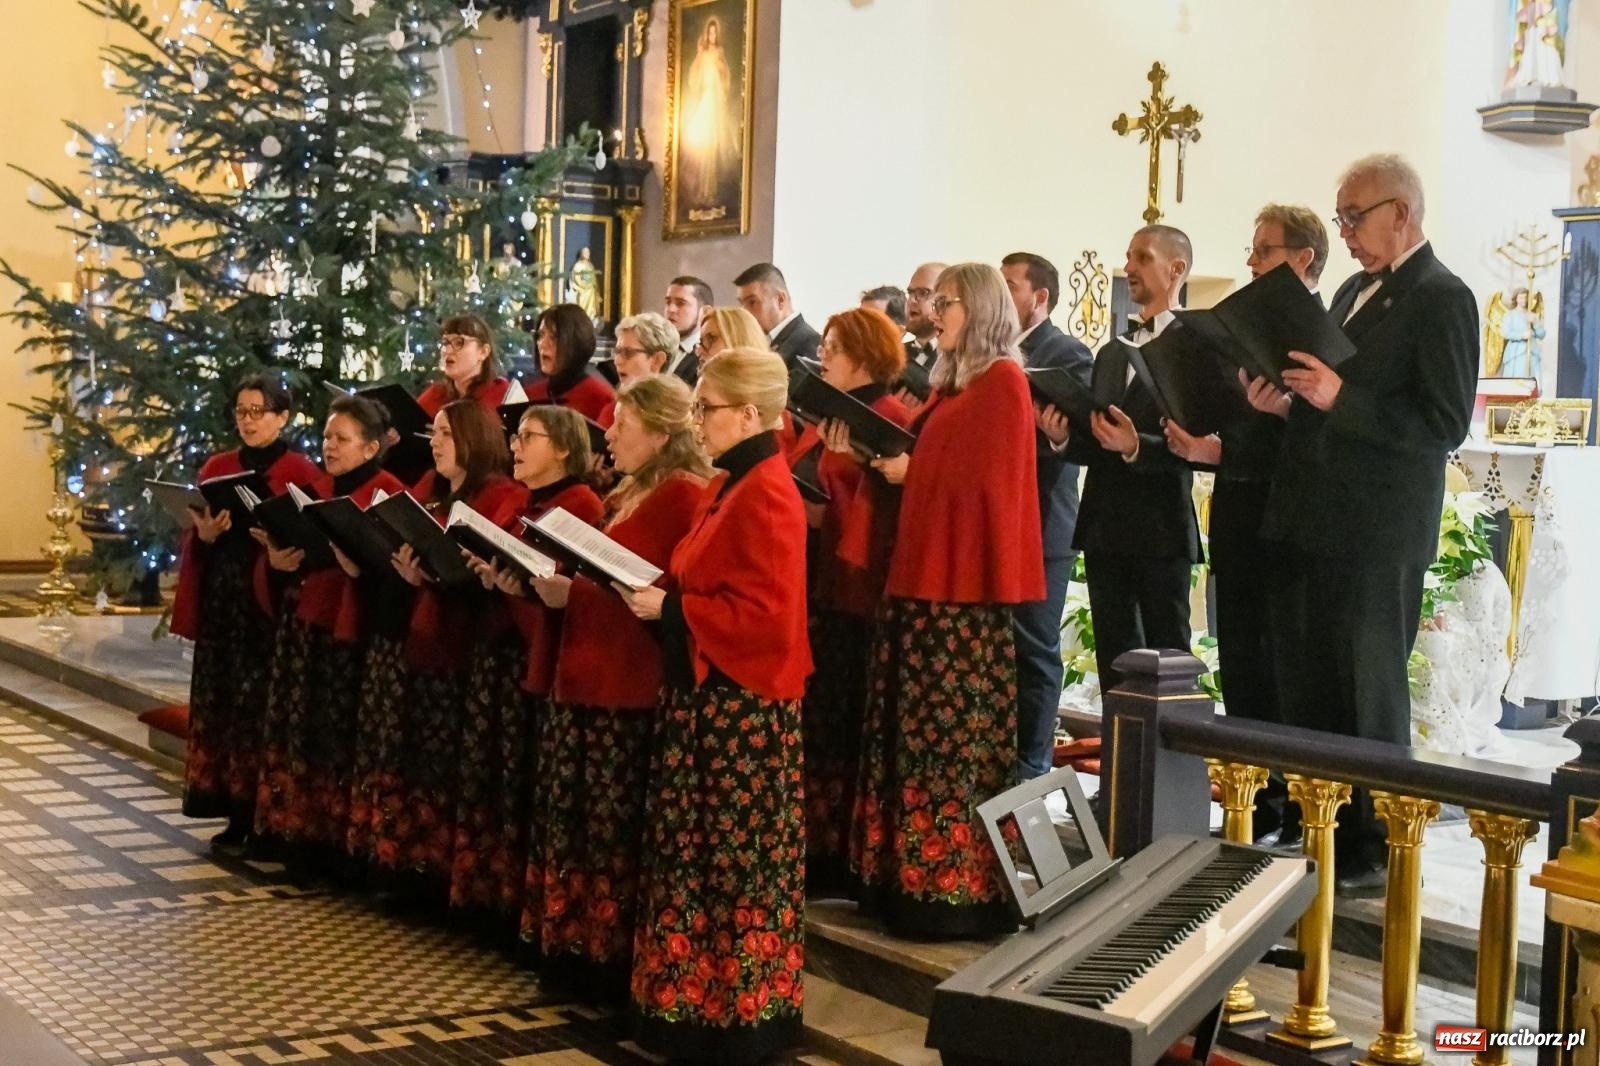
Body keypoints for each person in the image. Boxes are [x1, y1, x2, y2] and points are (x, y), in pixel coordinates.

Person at [1253, 154, 1478, 897]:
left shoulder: (1444, 297)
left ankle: (1373, 844)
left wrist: (1338, 395)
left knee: (1366, 688)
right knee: (1314, 688)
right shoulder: (1350, 289)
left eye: (1354, 216)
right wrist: (1288, 403)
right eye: (1341, 216)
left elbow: (1442, 424)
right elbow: (1327, 404)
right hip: (1317, 517)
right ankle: (1325, 828)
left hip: (1378, 529)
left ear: (1401, 214)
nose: (1344, 231)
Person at [617, 348, 811, 1063]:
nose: (696, 422)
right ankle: (688, 1007)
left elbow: (765, 615)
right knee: (695, 862)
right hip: (706, 703)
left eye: (706, 409)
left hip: (742, 711)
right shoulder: (731, 483)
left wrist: (672, 608)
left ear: (751, 415)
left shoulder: (768, 491)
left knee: (734, 867)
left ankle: (740, 1017)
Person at [850, 263, 1044, 940]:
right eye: (933, 302)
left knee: (949, 748)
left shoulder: (1005, 382)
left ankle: (950, 888)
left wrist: (915, 467)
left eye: (947, 303)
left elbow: (989, 484)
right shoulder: (956, 383)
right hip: (922, 584)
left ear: (981, 308)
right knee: (913, 740)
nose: (934, 313)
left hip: (960, 595)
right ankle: (899, 878)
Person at [516, 376, 711, 1001]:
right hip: (589, 669)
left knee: (609, 829)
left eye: (622, 425)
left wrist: (573, 591)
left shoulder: (682, 495)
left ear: (660, 432)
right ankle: (571, 948)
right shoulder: (633, 489)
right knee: (581, 823)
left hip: (625, 680)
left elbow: (653, 589)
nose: (610, 436)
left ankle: (602, 958)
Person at [1164, 205, 1327, 849]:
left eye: (1263, 251)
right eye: (1253, 249)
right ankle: (1250, 805)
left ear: (1302, 259)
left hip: (1286, 520)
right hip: (1236, 510)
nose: (1252, 262)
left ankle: (1292, 809)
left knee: (1281, 669)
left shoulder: (1321, 327)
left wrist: (1256, 431)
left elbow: (1313, 444)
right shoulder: (1247, 325)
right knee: (1241, 665)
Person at [351, 400, 524, 903]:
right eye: (436, 433)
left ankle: (439, 881)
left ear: (474, 436)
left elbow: (487, 562)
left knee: (448, 767)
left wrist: (445, 571)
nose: (437, 442)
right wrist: (410, 569)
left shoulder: (500, 493)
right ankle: (405, 868)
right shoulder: (428, 489)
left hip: (468, 645)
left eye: (447, 433)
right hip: (421, 636)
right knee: (416, 762)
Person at [451, 405, 605, 938]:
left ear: (564, 447)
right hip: (501, 650)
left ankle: (513, 909)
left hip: (536, 656)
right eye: (515, 437)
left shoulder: (581, 503)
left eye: (529, 437)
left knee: (522, 779)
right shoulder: (523, 501)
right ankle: (487, 899)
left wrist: (516, 588)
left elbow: (564, 588)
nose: (515, 446)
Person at [1037, 226, 1200, 698]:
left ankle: (1167, 769)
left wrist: (1138, 445)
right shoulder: (1112, 351)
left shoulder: (1196, 348)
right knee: (1114, 660)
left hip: (1160, 526)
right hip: (1105, 525)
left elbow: (1197, 442)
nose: (1128, 267)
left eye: (1142, 258)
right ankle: (1119, 763)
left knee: (1167, 659)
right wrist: (1064, 438)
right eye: (1128, 257)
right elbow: (1098, 437)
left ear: (1176, 269)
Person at [252, 394, 406, 875]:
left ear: (370, 448)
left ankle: (329, 844)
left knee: (334, 737)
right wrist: (275, 561)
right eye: (325, 437)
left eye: (341, 439)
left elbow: (385, 568)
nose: (329, 447)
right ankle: (288, 830)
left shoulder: (386, 493)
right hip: (303, 625)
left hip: (349, 633)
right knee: (298, 732)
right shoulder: (318, 489)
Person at [173, 375, 320, 851]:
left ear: (283, 417)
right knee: (225, 704)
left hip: (270, 605)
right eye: (241, 411)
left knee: (263, 709)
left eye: (259, 411)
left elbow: (311, 539)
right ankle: (233, 809)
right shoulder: (218, 465)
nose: (248, 420)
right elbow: (196, 530)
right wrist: (205, 535)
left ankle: (267, 815)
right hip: (224, 599)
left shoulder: (300, 471)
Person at [793, 308, 911, 898]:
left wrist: (821, 509)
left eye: (834, 349)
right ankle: (817, 847)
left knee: (844, 725)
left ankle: (839, 853)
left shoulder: (883, 418)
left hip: (855, 597)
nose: (825, 358)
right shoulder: (830, 418)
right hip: (820, 587)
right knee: (823, 724)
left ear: (864, 358)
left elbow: (877, 517)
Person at [1001, 251, 1094, 782]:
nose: (1003, 295)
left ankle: (1032, 763)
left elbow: (1072, 433)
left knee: (1035, 650)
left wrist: (1056, 432)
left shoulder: (1066, 352)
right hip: (1002, 522)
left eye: (1011, 286)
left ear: (1040, 298)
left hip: (1043, 523)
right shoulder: (994, 353)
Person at [417, 313, 523, 416]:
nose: (447, 351)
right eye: (445, 343)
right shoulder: (434, 395)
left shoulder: (506, 397)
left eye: (459, 342)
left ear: (483, 352)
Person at [527, 303, 616, 423]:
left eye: (554, 337)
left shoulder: (602, 400)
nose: (542, 344)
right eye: (540, 335)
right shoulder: (530, 394)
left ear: (576, 342)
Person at [682, 15, 737, 207]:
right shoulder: (702, 54)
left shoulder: (720, 52)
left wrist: (722, 70)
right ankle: (701, 189)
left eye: (715, 32)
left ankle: (711, 189)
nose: (712, 35)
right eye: (709, 32)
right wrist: (698, 55)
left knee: (713, 146)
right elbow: (694, 81)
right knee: (702, 147)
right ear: (706, 33)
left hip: (716, 100)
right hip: (707, 98)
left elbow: (726, 76)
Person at [599, 312, 677, 427]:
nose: (617, 361)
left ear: (657, 360)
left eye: (628, 353)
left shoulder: (675, 416)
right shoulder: (611, 411)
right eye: (617, 352)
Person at [733, 262, 820, 366]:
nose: (744, 312)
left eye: (752, 302)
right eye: (741, 304)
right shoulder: (758, 343)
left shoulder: (808, 343)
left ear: (780, 300)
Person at [663, 275, 713, 383]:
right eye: (668, 302)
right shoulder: (655, 347)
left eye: (681, 303)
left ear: (705, 312)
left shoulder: (710, 356)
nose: (671, 309)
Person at [569, 247, 601, 322]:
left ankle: (590, 319)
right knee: (583, 307)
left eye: (588, 252)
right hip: (583, 290)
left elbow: (594, 278)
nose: (587, 254)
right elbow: (576, 278)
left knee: (591, 308)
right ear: (582, 254)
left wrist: (595, 288)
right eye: (586, 252)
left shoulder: (590, 265)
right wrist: (584, 286)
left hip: (591, 290)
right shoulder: (578, 265)